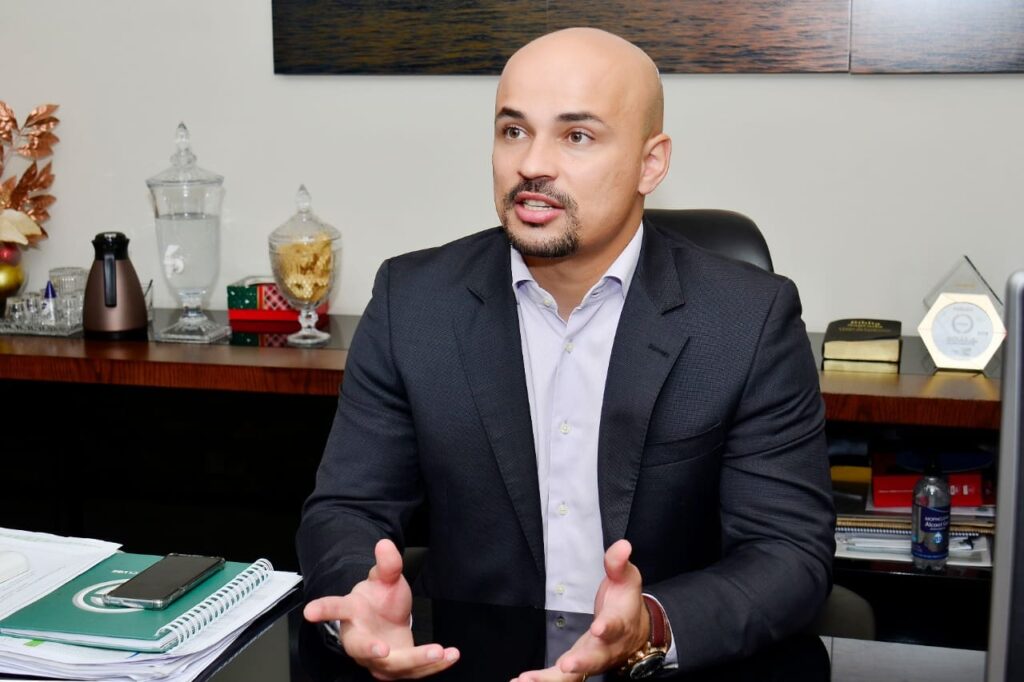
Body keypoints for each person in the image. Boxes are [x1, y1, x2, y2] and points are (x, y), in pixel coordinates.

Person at [298, 27, 834, 681]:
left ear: (651, 163)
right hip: (468, 664)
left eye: (576, 136)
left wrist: (652, 626)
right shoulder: (413, 302)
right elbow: (347, 509)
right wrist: (360, 599)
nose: (532, 164)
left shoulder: (747, 319)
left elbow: (788, 553)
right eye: (513, 131)